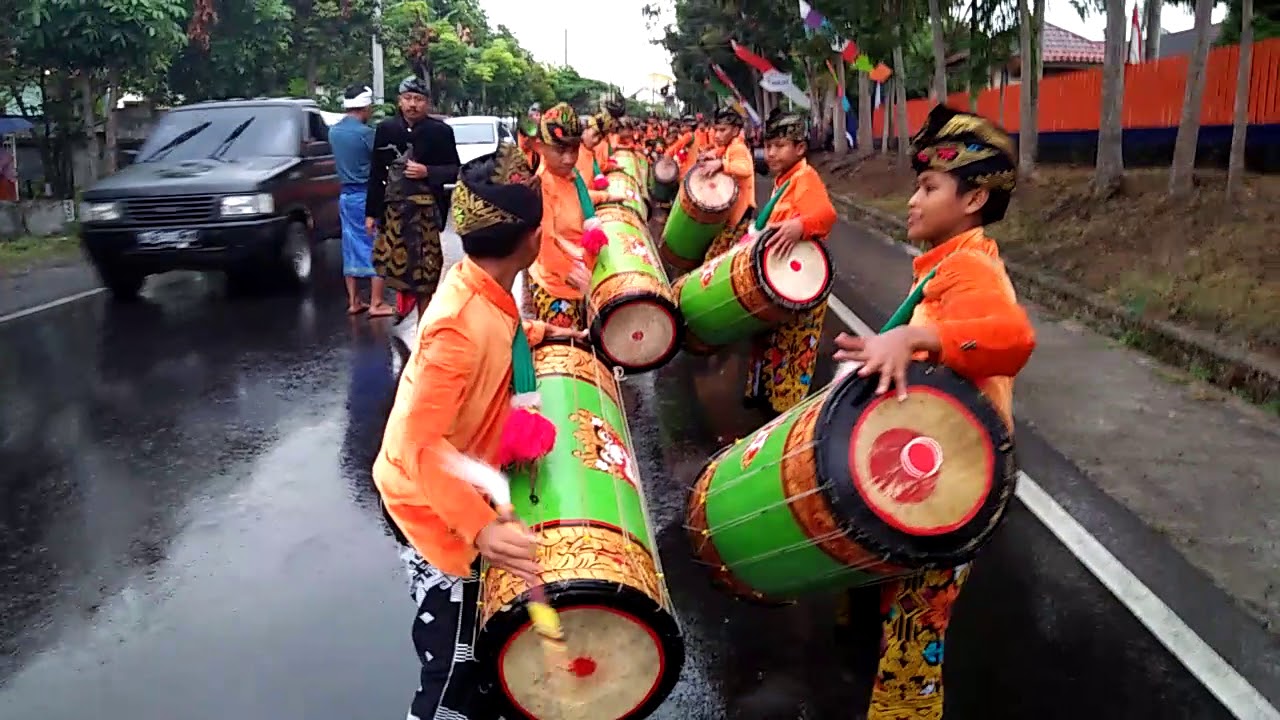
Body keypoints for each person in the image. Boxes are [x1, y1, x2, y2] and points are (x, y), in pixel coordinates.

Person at [832, 105, 1036, 720]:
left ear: (973, 197)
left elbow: (1014, 337)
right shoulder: (948, 264)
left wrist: (916, 341)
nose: (913, 201)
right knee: (891, 607)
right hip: (935, 470)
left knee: (914, 639)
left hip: (957, 486)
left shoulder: (970, 266)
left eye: (928, 187)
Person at [373, 142, 583, 720]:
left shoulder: (481, 288)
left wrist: (543, 336)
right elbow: (420, 446)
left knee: (481, 646)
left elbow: (504, 328)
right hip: (428, 502)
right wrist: (480, 528)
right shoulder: (456, 328)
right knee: (456, 663)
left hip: (455, 480)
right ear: (531, 238)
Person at [741, 109, 838, 415]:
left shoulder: (805, 178)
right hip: (779, 283)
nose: (770, 153)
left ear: (800, 148)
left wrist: (800, 226)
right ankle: (764, 402)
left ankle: (783, 418)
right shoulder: (785, 179)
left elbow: (825, 216)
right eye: (768, 145)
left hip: (801, 284)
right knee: (769, 343)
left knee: (791, 352)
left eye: (780, 145)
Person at [366, 76, 460, 326]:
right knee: (393, 266)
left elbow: (454, 170)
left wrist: (428, 172)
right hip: (394, 213)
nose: (412, 104)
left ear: (427, 103)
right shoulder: (386, 129)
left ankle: (424, 327)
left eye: (418, 99)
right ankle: (402, 306)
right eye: (408, 98)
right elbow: (377, 172)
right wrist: (371, 212)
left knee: (426, 273)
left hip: (426, 213)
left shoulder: (441, 131)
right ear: (399, 100)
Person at [525, 103, 607, 329]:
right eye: (561, 151)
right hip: (557, 285)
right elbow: (544, 244)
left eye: (574, 150)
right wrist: (572, 272)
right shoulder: (541, 186)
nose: (569, 158)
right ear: (540, 147)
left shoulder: (573, 177)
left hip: (581, 273)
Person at [329, 85, 394, 317]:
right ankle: (377, 303)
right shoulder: (366, 134)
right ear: (365, 106)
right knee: (376, 245)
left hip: (345, 196)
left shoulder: (334, 132)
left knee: (350, 245)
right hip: (366, 196)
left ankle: (354, 301)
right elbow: (381, 162)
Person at [696, 106, 756, 260]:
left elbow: (746, 168)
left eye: (722, 130)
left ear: (735, 131)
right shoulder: (730, 146)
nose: (716, 135)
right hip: (734, 210)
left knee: (717, 258)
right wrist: (712, 154)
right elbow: (722, 151)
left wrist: (721, 164)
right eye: (716, 130)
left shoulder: (738, 148)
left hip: (741, 212)